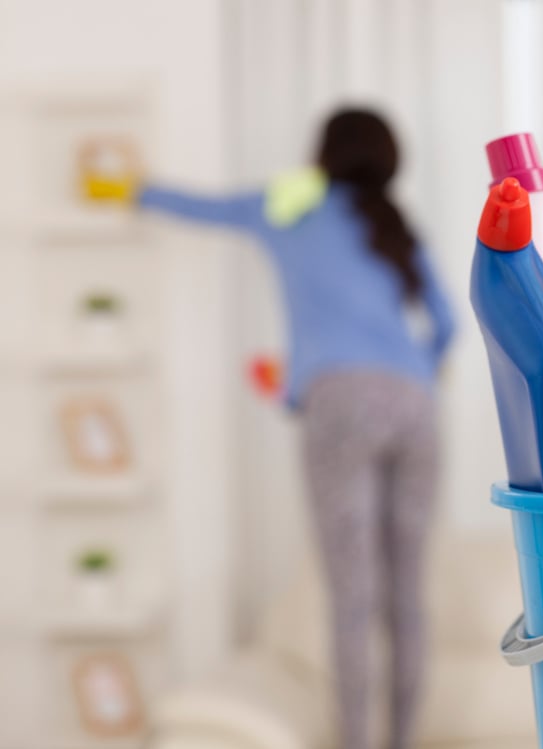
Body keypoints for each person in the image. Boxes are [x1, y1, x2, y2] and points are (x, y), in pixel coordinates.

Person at [127, 108, 455, 749]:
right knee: (408, 593)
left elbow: (206, 208)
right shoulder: (398, 228)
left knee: (353, 594)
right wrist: (412, 371)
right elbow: (447, 325)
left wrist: (132, 189)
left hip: (340, 401)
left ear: (323, 152)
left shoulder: (287, 209)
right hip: (416, 401)